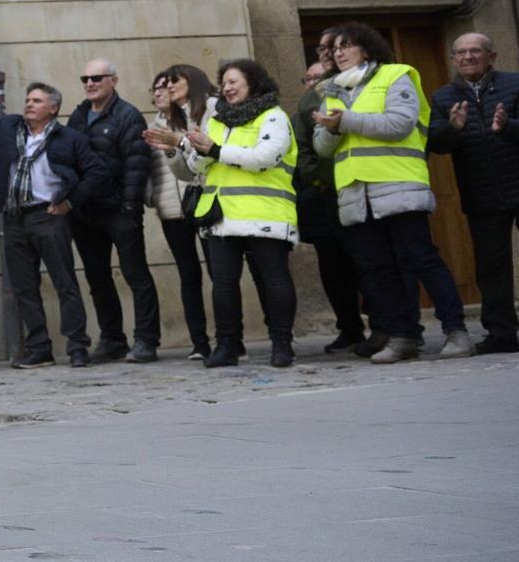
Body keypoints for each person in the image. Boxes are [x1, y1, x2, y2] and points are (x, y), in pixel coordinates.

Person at [313, 22, 472, 363]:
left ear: (366, 49)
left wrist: (345, 121)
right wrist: (330, 129)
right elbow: (322, 147)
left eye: (347, 46)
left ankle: (456, 331)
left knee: (420, 258)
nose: (338, 53)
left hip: (398, 185)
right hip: (357, 194)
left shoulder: (396, 75)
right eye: (334, 49)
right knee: (377, 268)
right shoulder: (334, 90)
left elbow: (399, 124)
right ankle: (402, 337)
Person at [0, 74, 111, 367]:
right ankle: (40, 348)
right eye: (27, 100)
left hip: (48, 216)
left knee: (65, 283)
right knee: (24, 287)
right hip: (14, 218)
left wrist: (69, 202)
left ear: (53, 108)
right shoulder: (8, 128)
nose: (29, 105)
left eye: (37, 101)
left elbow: (97, 173)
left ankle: (77, 347)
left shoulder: (70, 139)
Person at [177, 59, 299, 369]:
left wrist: (215, 150)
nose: (227, 88)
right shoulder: (217, 120)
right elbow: (197, 167)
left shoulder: (274, 116)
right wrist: (198, 151)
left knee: (275, 280)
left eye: (234, 81)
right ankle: (227, 346)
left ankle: (282, 344)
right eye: (224, 83)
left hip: (265, 213)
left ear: (253, 82)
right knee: (223, 283)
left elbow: (265, 157)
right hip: (223, 216)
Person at [428, 32, 519, 355]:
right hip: (480, 191)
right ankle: (502, 333)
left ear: (491, 56)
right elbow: (434, 144)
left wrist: (507, 127)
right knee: (491, 267)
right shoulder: (443, 97)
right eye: (461, 53)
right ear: (453, 59)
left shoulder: (514, 84)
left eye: (475, 51)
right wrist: (452, 128)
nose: (468, 57)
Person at [66, 59, 161, 363]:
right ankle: (112, 339)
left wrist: (130, 207)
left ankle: (146, 339)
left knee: (136, 274)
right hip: (86, 212)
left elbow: (137, 164)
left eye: (97, 78)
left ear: (113, 81)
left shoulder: (128, 115)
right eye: (85, 78)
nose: (90, 83)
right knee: (97, 278)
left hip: (119, 209)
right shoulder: (78, 116)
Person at [295, 46, 373, 354]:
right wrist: (317, 179)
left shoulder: (344, 99)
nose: (312, 82)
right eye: (308, 78)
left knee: (366, 262)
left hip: (352, 191)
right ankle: (349, 328)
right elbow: (303, 153)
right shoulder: (301, 111)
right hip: (320, 198)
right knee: (332, 268)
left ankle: (383, 323)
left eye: (318, 77)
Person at [143, 65, 215, 362]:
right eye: (156, 87)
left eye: (167, 85)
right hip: (171, 209)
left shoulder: (193, 117)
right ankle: (199, 342)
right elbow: (147, 168)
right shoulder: (154, 124)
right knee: (188, 275)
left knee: (218, 270)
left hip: (201, 201)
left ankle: (229, 338)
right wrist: (151, 197)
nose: (162, 91)